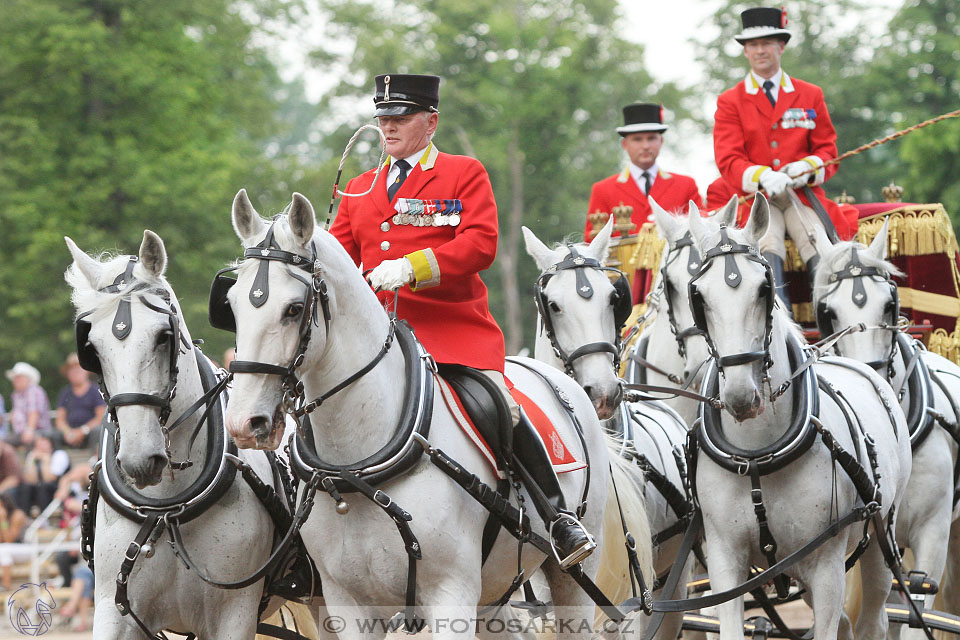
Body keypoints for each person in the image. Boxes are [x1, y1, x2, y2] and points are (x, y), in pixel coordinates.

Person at [330, 73, 596, 570]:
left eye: (401, 117)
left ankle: (558, 517)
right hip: (375, 339)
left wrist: (413, 267)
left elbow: (480, 244)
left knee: (500, 407)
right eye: (382, 117)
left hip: (450, 330)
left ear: (430, 123)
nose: (388, 126)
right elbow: (340, 262)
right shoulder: (360, 187)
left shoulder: (463, 172)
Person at [713, 6, 850, 311]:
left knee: (817, 239)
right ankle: (778, 321)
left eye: (767, 43)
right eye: (753, 45)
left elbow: (828, 150)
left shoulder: (809, 94)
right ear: (746, 51)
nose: (760, 51)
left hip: (801, 194)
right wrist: (762, 175)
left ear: (781, 46)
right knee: (766, 242)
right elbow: (728, 159)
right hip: (758, 196)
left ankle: (830, 316)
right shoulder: (730, 100)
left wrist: (807, 167)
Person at [584, 102, 701, 241]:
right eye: (637, 139)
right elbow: (593, 243)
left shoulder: (685, 185)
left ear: (661, 141)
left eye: (651, 138)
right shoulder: (603, 190)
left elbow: (701, 230)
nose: (645, 146)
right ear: (624, 144)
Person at [55, 353, 105, 451]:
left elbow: (100, 417)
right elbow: (59, 419)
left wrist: (82, 431)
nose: (75, 372)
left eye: (78, 369)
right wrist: (67, 432)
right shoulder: (65, 393)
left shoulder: (96, 391)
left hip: (89, 432)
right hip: (69, 434)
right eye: (72, 370)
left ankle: (95, 459)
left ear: (86, 371)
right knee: (53, 435)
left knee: (98, 432)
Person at [14, 433, 70, 515]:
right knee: (25, 487)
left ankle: (44, 518)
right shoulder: (33, 455)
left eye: (44, 443)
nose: (41, 446)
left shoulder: (60, 454)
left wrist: (46, 460)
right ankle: (24, 517)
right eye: (38, 444)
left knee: (43, 487)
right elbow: (29, 480)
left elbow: (50, 478)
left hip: (58, 488)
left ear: (51, 444)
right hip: (39, 488)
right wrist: (32, 461)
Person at [5, 362, 52, 448]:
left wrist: (29, 430)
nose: (16, 380)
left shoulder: (34, 391)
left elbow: (34, 412)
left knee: (7, 443)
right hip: (21, 433)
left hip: (39, 431)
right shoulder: (16, 394)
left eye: (19, 377)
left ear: (28, 379)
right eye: (15, 378)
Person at [0, 493, 28, 590]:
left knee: (4, 550)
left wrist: (3, 520)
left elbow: (9, 540)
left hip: (25, 548)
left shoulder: (17, 514)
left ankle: (6, 585)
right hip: (9, 549)